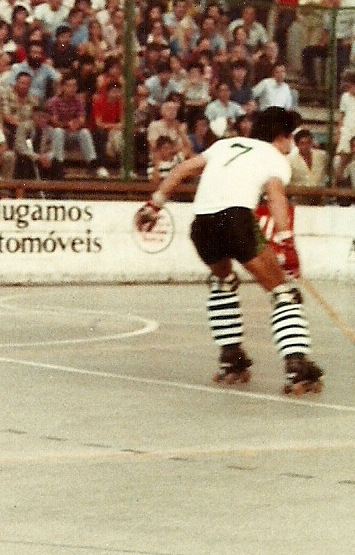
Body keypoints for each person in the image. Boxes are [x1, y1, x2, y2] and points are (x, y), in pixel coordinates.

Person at [135, 108, 323, 395]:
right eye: (291, 138)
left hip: (202, 224)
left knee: (222, 283)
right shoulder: (275, 157)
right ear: (281, 137)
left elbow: (180, 170)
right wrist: (286, 242)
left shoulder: (226, 144)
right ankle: (297, 366)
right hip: (236, 221)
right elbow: (275, 198)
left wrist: (154, 206)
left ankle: (231, 359)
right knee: (283, 292)